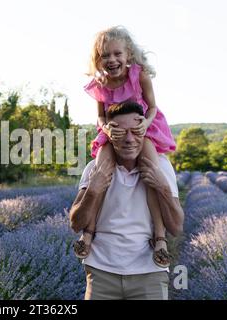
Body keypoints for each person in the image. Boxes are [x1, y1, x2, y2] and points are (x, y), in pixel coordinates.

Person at [73, 26, 176, 269]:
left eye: (117, 54)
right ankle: (88, 234)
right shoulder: (100, 84)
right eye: (105, 56)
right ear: (98, 60)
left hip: (143, 130)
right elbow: (100, 117)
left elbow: (151, 107)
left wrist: (145, 125)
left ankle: (160, 238)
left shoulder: (139, 75)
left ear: (128, 54)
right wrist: (107, 129)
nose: (112, 60)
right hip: (113, 133)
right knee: (100, 173)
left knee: (152, 172)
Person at [69, 100, 184, 300]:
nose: (129, 139)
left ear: (145, 131)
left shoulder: (161, 168)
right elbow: (75, 223)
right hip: (101, 272)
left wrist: (163, 187)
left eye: (135, 131)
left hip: (149, 272)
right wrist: (93, 190)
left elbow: (175, 227)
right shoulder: (94, 168)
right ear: (109, 135)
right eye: (121, 132)